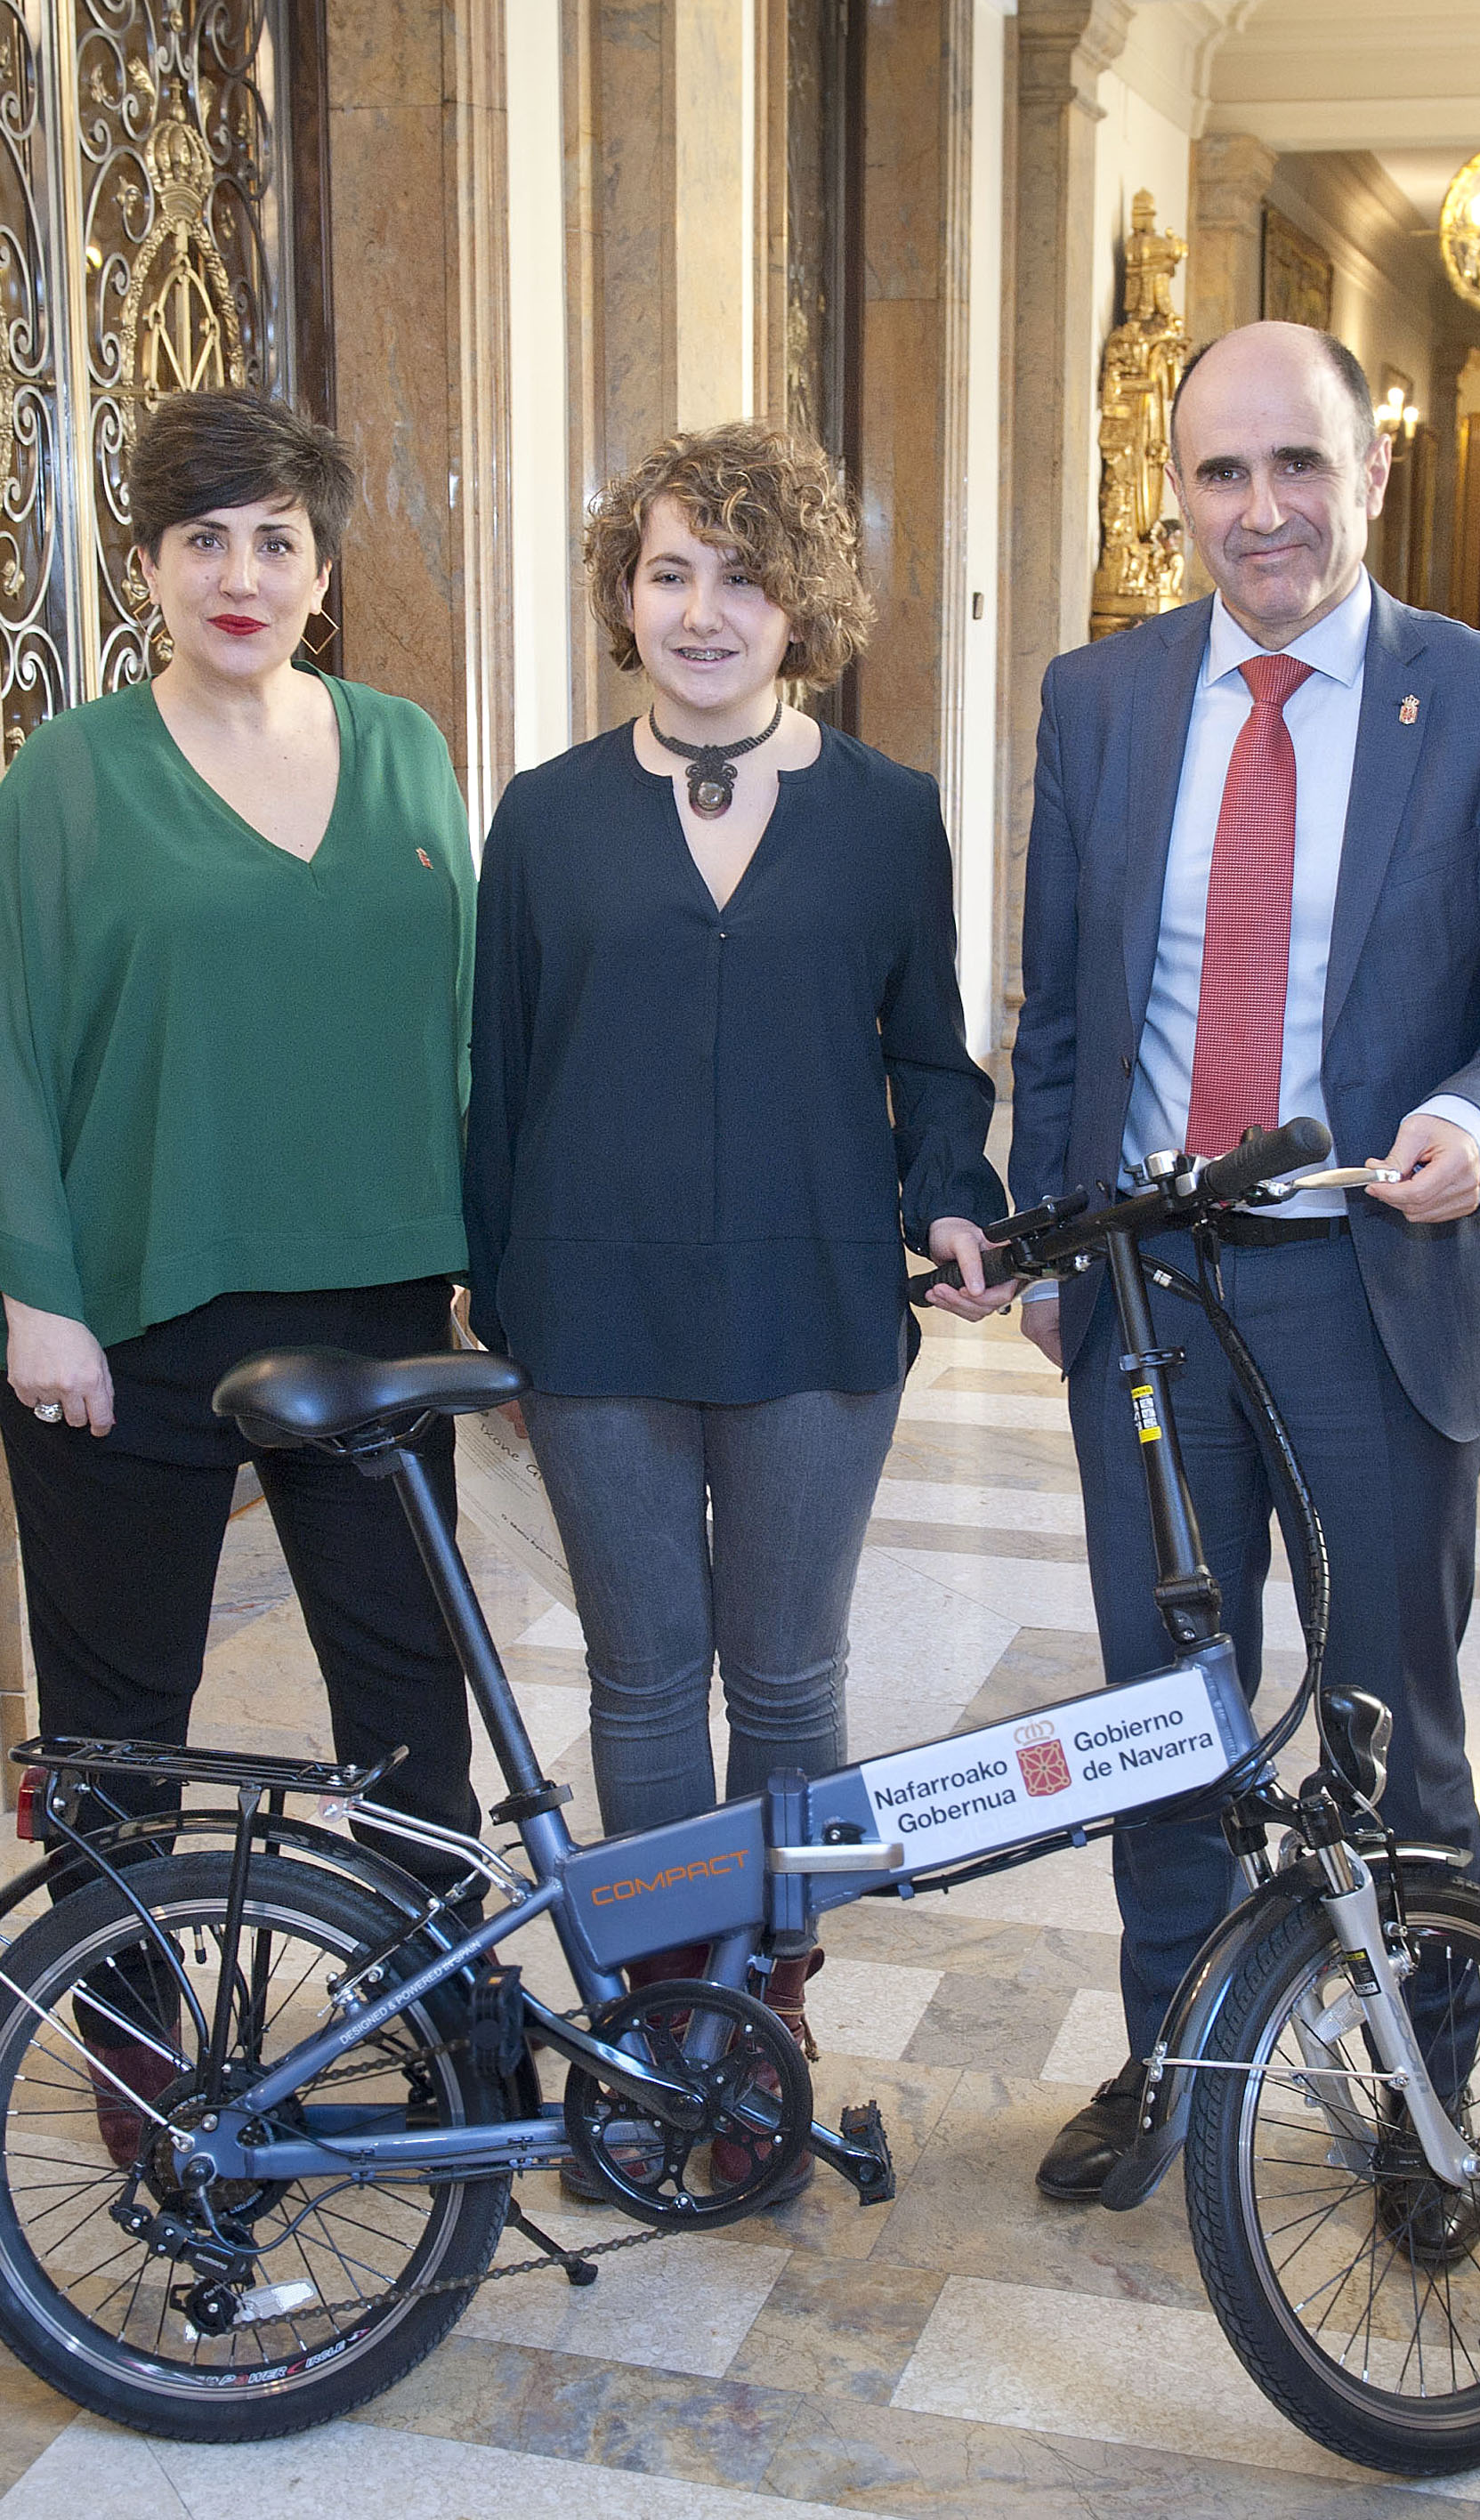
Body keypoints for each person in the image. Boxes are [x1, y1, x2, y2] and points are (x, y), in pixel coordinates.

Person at [1007, 322, 1480, 2201]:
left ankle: (1422, 2111)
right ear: (1176, 493)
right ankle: (1176, 2069)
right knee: (1160, 1724)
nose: (1260, 508)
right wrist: (1052, 1250)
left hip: (1377, 1286)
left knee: (1390, 1732)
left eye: (1297, 465)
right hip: (1155, 1305)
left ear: (1373, 471)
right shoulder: (1100, 700)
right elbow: (1061, 1012)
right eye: (1221, 471)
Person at [0, 389, 484, 2147]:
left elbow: (462, 1019)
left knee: (409, 1692)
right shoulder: (67, 780)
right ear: (150, 566)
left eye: (275, 541)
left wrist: (491, 1258)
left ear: (323, 568)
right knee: (122, 1720)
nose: (240, 576)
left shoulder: (404, 752)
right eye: (203, 540)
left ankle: (444, 2014)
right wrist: (37, 1301)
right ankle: (134, 2054)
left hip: (374, 1310)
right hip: (130, 1320)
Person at [466, 421, 1013, 2106]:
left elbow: (930, 1055)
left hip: (815, 1302)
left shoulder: (887, 816)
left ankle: (772, 2008)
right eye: (670, 573)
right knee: (642, 1685)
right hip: (595, 1308)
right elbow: (500, 1075)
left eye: (745, 578)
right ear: (624, 597)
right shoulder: (545, 818)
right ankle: (666, 2016)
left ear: (802, 606)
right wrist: (488, 1297)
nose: (704, 613)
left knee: (788, 1682)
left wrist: (952, 1194)